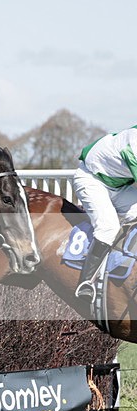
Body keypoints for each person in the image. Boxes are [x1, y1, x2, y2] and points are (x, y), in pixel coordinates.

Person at [72, 125, 137, 300]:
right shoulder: (134, 146)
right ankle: (86, 283)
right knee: (108, 227)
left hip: (117, 186)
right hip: (91, 181)